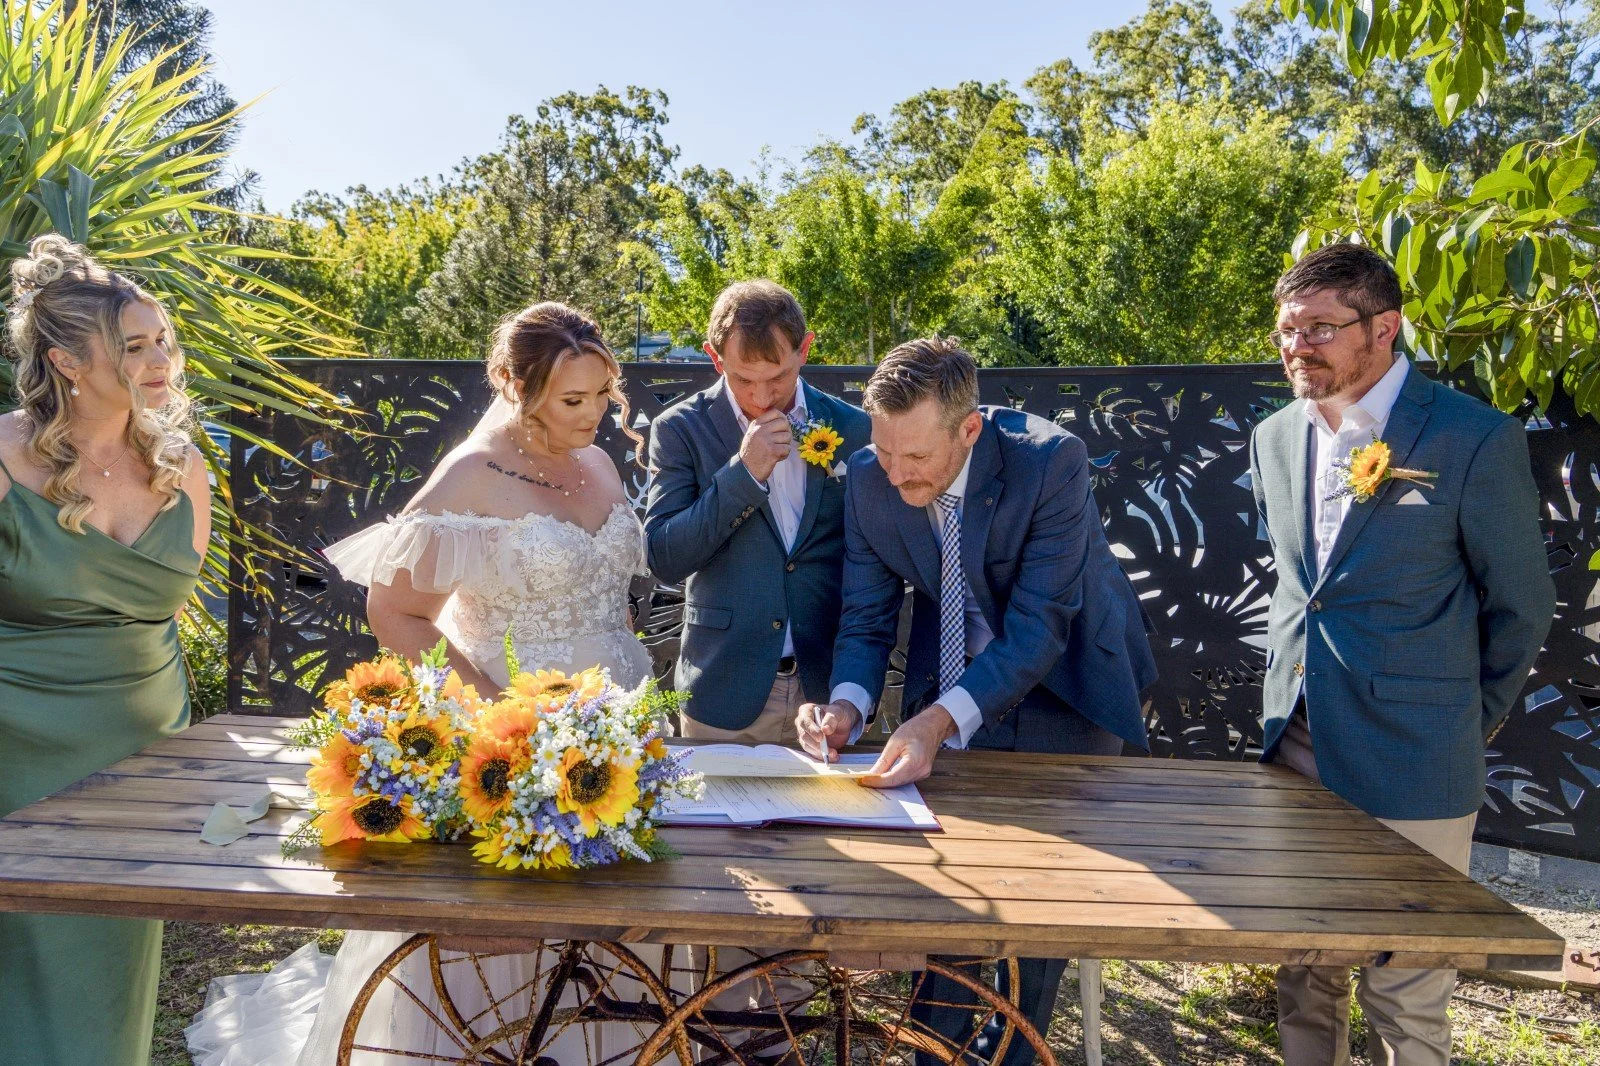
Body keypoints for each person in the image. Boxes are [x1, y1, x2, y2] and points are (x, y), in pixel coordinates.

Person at [188, 303, 662, 1065]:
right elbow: (396, 610)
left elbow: (610, 595)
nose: (596, 415)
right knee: (513, 933)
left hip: (622, 723)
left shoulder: (602, 463)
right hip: (518, 736)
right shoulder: (471, 476)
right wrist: (495, 713)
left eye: (604, 394)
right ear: (512, 384)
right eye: (573, 400)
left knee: (616, 928)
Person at [796, 336, 1156, 1066]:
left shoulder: (1051, 461)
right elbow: (867, 615)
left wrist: (932, 721)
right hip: (951, 674)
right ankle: (933, 1055)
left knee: (1036, 919)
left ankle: (1012, 1055)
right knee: (953, 906)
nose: (897, 475)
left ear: (970, 428)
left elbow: (1037, 631)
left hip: (1069, 686)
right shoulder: (869, 478)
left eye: (916, 458)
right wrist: (846, 705)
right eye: (886, 453)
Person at [1250, 242, 1555, 1066]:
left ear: (1384, 327)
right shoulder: (1274, 438)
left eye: (1319, 328)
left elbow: (1522, 606)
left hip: (1417, 752)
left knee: (1406, 984)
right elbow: (1299, 589)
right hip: (1298, 744)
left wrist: (1460, 719)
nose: (1296, 347)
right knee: (1304, 969)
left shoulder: (1472, 437)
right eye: (1286, 331)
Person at [0, 234, 210, 1065]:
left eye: (162, 340)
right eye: (133, 346)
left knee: (112, 983)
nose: (160, 359)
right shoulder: (3, 457)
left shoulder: (181, 465)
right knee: (26, 973)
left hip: (144, 761)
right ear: (67, 360)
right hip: (19, 752)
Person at [645, 279, 869, 742]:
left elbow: (871, 563)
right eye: (743, 379)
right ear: (714, 358)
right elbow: (665, 557)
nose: (763, 398)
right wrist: (744, 475)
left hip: (827, 691)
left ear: (805, 350)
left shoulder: (853, 426)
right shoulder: (680, 429)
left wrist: (852, 690)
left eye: (778, 377)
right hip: (723, 691)